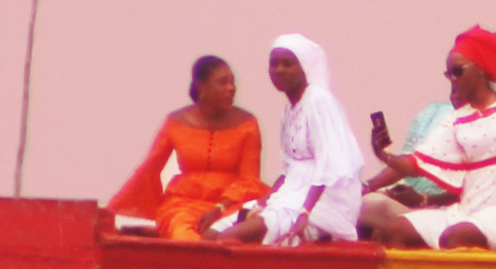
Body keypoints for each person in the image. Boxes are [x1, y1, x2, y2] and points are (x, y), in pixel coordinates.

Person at [371, 27, 496, 250]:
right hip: (466, 211)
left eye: (457, 71)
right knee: (394, 231)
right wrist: (384, 155)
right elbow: (417, 163)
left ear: (481, 70)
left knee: (458, 236)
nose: (453, 79)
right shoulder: (456, 119)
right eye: (448, 74)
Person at [219, 34, 363, 245]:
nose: (279, 70)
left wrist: (304, 213)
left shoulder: (318, 101)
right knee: (213, 234)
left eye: (288, 64)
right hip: (291, 195)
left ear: (304, 67)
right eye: (273, 64)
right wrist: (263, 200)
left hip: (321, 202)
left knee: (228, 239)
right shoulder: (290, 109)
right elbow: (288, 170)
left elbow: (329, 165)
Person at [107, 56, 270, 240]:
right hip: (183, 205)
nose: (231, 88)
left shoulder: (248, 124)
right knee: (184, 238)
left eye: (233, 83)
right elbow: (149, 168)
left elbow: (250, 180)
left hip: (232, 205)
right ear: (202, 87)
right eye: (223, 83)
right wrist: (111, 211)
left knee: (235, 236)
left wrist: (219, 208)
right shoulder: (175, 122)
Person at [358, 99, 458, 234]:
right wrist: (367, 186)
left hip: (445, 211)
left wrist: (423, 199)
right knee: (354, 205)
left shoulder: (480, 127)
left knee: (366, 209)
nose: (454, 80)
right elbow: (408, 163)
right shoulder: (433, 112)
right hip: (408, 198)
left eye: (458, 75)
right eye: (450, 76)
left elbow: (470, 191)